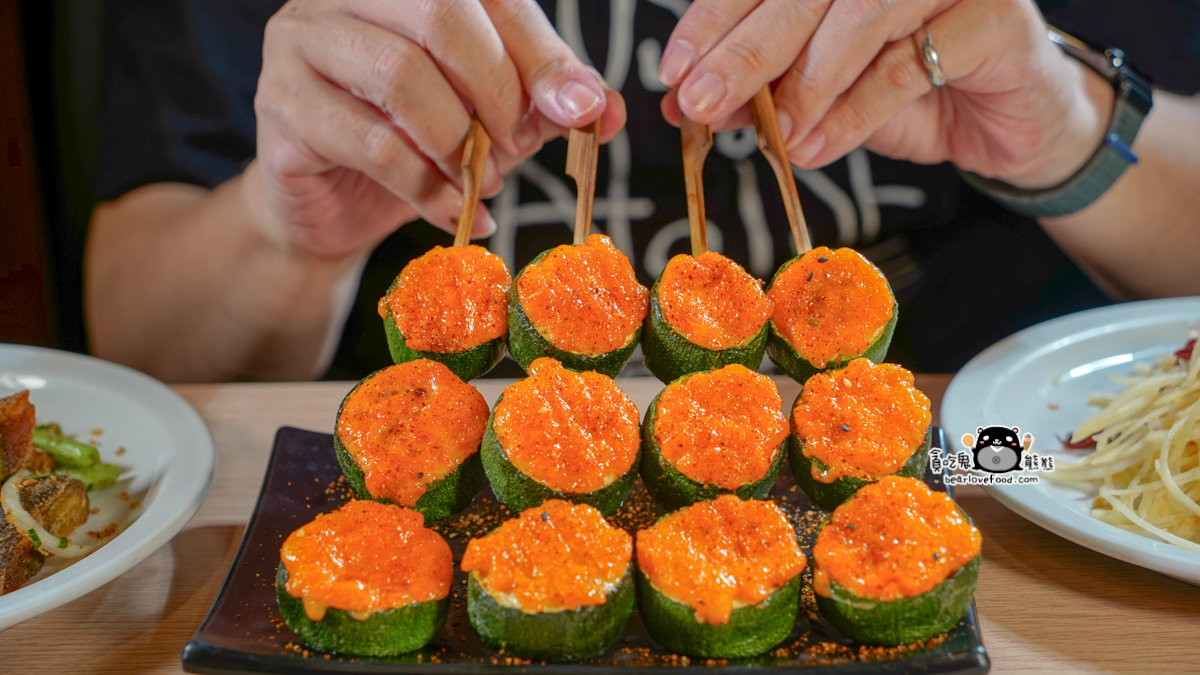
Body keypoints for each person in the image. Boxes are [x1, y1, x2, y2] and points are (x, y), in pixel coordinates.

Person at [83, 0, 1200, 383]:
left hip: (978, 462)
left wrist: (1069, 131)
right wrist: (290, 234)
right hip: (443, 441)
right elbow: (137, 348)